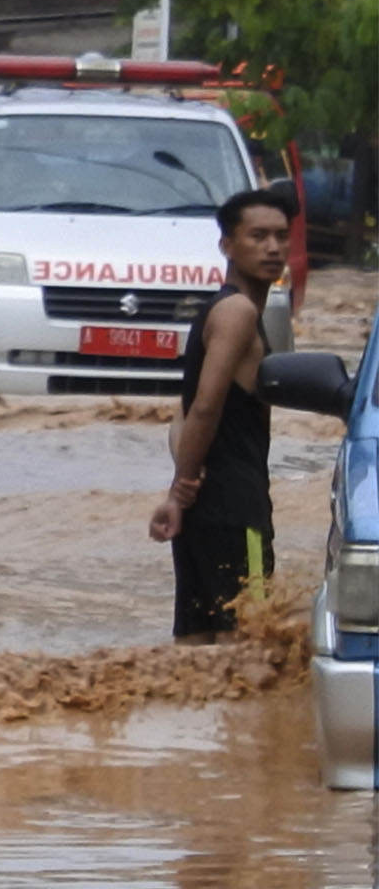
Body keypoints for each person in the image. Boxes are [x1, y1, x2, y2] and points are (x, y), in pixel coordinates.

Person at [152, 185, 295, 640]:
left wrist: (186, 488)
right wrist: (178, 493)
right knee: (249, 647)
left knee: (197, 648)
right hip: (237, 510)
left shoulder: (217, 310)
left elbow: (182, 412)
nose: (272, 248)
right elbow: (206, 408)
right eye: (257, 236)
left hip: (204, 510)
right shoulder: (237, 313)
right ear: (227, 245)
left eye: (281, 236)